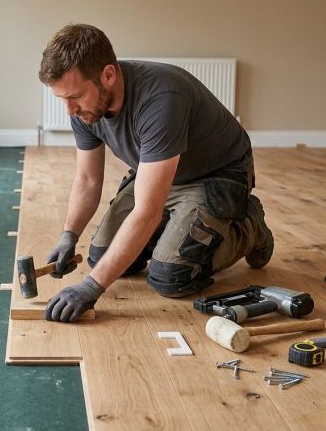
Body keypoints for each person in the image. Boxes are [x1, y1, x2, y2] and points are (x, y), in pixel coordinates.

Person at [38, 24, 274, 323]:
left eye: (75, 96)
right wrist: (68, 235)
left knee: (173, 276)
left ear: (108, 75)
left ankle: (251, 227)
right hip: (157, 172)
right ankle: (178, 230)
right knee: (102, 257)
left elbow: (147, 211)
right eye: (62, 98)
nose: (69, 109)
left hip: (214, 174)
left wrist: (91, 286)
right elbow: (88, 179)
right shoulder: (84, 107)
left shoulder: (161, 96)